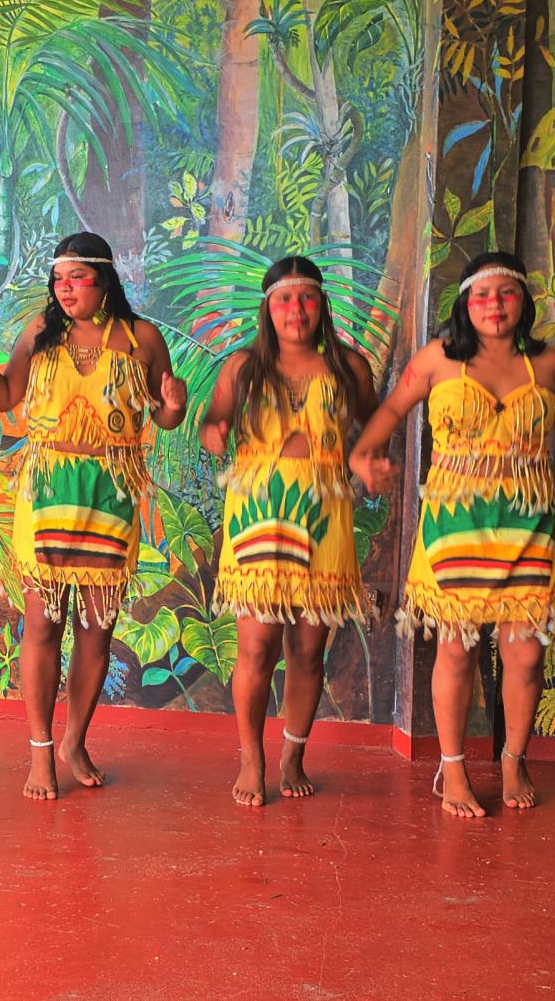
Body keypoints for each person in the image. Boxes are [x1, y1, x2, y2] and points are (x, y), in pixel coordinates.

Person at [350, 251, 555, 817]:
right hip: (456, 522)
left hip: (527, 522)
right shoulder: (437, 358)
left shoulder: (547, 364)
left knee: (525, 655)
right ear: (465, 303)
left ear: (523, 301)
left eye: (505, 294)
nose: (494, 306)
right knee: (456, 649)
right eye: (482, 295)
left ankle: (513, 758)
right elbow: (391, 411)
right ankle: (451, 771)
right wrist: (363, 455)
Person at [0, 232, 188, 800]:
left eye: (77, 278)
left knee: (95, 629)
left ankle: (75, 739)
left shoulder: (142, 339)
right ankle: (41, 752)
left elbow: (164, 417)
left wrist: (174, 404)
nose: (65, 289)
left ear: (105, 280)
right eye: (59, 279)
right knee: (43, 623)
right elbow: (4, 398)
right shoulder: (39, 334)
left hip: (109, 495)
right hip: (47, 490)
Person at [198, 257, 377, 806]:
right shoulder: (243, 366)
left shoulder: (349, 366)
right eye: (283, 299)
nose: (295, 310)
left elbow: (373, 431)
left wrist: (372, 462)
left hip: (324, 514)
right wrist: (213, 431)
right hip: (259, 513)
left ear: (321, 305)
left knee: (307, 649)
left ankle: (292, 755)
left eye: (305, 298)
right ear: (267, 308)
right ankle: (251, 759)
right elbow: (212, 424)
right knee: (256, 647)